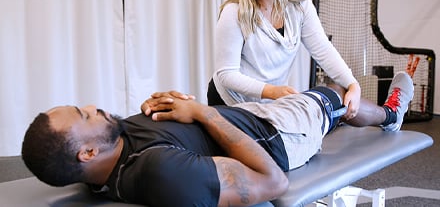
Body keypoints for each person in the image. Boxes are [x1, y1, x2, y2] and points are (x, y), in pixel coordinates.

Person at [21, 70, 414, 206]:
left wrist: (174, 103)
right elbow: (273, 180)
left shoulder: (112, 141)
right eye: (83, 115)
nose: (92, 106)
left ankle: (339, 117)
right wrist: (205, 113)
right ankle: (391, 115)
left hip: (247, 118)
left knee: (314, 97)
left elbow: (171, 130)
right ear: (87, 152)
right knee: (329, 94)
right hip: (279, 135)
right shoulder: (158, 173)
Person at [208, 0, 362, 120]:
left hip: (268, 99)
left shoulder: (299, 5)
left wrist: (353, 85)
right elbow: (226, 74)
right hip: (230, 99)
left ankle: (389, 115)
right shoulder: (234, 11)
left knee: (341, 92)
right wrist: (273, 91)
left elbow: (323, 49)